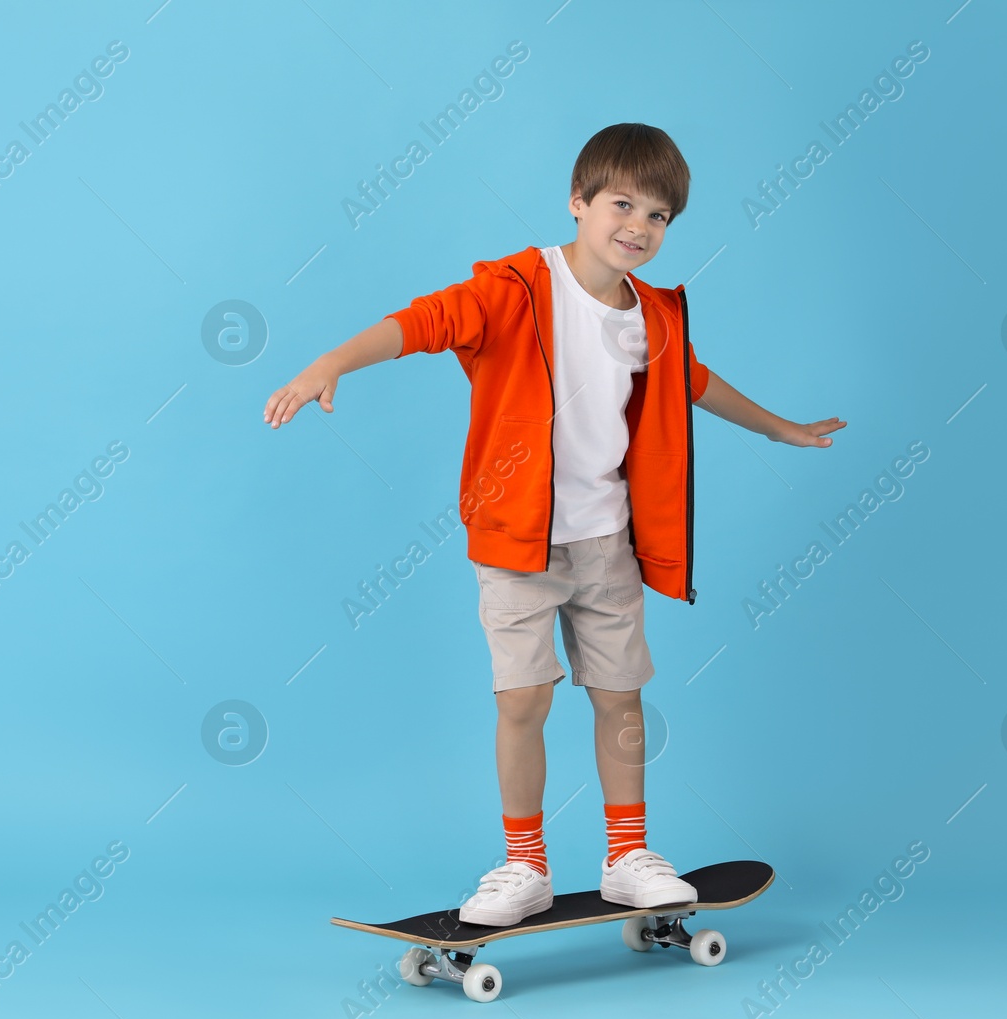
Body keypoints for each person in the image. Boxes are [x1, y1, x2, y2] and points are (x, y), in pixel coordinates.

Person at [262, 123, 845, 926]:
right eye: (622, 204)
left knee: (621, 698)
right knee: (524, 699)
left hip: (607, 540)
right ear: (578, 202)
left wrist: (781, 429)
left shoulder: (652, 317)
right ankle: (523, 864)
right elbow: (424, 322)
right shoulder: (517, 289)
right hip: (517, 539)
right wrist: (330, 361)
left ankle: (628, 855)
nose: (638, 227)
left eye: (659, 216)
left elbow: (692, 384)